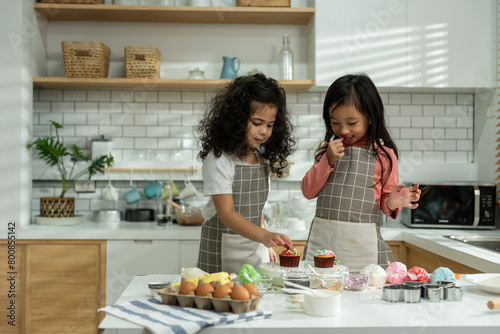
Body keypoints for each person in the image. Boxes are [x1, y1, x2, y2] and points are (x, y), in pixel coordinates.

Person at [301, 73, 421, 269]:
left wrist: (394, 200)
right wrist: (327, 160)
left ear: (371, 118)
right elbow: (308, 191)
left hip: (362, 249)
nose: (343, 130)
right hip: (324, 245)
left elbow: (385, 203)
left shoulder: (384, 155)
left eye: (352, 123)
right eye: (335, 122)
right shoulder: (327, 150)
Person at [196, 74, 295, 274]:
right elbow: (227, 214)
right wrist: (265, 236)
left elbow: (256, 208)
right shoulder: (219, 160)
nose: (264, 132)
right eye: (257, 123)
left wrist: (266, 243)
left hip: (254, 248)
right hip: (221, 252)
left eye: (269, 125)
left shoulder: (260, 159)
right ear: (237, 119)